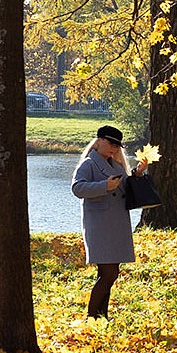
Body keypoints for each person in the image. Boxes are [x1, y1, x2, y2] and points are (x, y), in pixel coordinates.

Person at [71, 125, 148, 318]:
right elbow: (77, 188)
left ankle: (101, 316)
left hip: (117, 223)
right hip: (99, 225)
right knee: (109, 274)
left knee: (107, 274)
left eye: (117, 146)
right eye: (110, 143)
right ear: (98, 141)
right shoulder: (88, 164)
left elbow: (127, 190)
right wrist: (104, 186)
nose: (114, 148)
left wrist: (138, 173)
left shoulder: (118, 166)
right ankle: (91, 316)